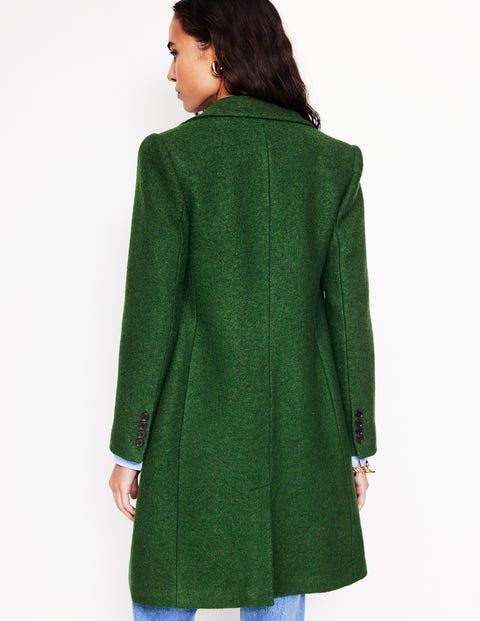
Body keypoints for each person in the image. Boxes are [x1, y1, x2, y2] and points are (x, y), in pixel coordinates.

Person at [108, 1, 377, 619]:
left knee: (165, 591)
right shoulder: (332, 163)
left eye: (176, 51)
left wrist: (129, 449)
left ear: (217, 51)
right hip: (301, 435)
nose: (170, 71)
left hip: (188, 435)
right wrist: (355, 446)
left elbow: (149, 315)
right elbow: (349, 318)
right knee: (282, 584)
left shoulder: (171, 157)